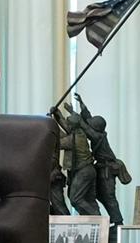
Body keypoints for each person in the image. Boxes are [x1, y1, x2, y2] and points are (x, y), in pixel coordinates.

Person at [73, 95, 129, 225]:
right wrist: (81, 104)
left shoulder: (98, 137)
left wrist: (75, 116)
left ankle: (118, 222)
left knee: (108, 197)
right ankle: (104, 220)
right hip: (101, 169)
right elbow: (87, 119)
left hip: (107, 171)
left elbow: (85, 126)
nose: (90, 125)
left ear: (96, 128)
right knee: (99, 195)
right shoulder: (98, 133)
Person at [51, 103, 99, 215]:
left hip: (84, 172)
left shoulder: (73, 140)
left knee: (75, 199)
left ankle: (97, 218)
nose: (67, 124)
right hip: (87, 171)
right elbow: (67, 128)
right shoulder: (80, 132)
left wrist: (51, 125)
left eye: (69, 123)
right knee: (88, 200)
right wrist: (57, 115)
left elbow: (58, 142)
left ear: (73, 126)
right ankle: (94, 222)